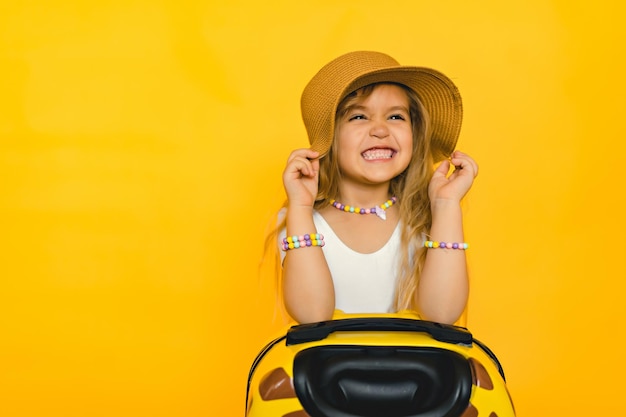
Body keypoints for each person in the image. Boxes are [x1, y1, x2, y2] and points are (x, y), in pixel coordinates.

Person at [274, 51, 478, 325]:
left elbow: (442, 315)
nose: (380, 130)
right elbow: (312, 316)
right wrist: (299, 207)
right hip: (328, 368)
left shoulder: (427, 222)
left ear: (415, 135)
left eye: (395, 117)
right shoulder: (302, 221)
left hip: (415, 368)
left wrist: (446, 205)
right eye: (359, 117)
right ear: (328, 138)